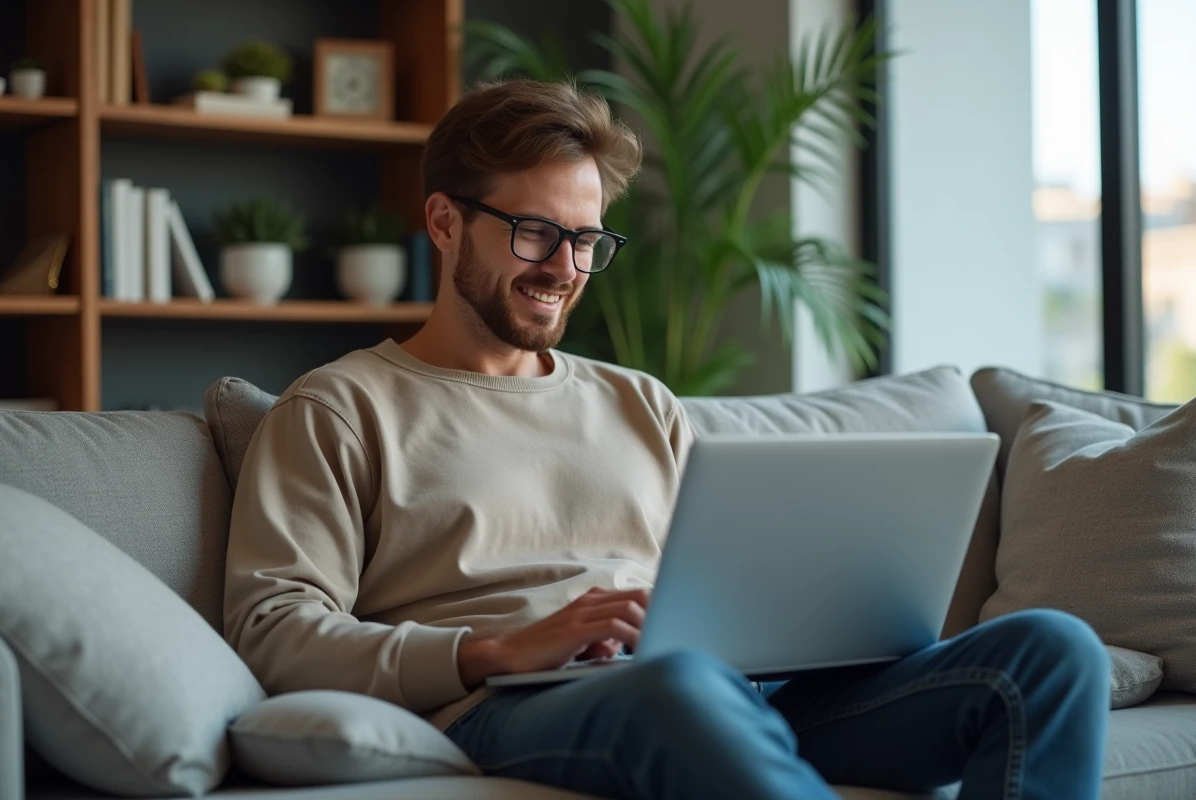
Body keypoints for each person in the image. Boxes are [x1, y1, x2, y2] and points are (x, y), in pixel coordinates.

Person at [224, 79, 1111, 800]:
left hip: (724, 688)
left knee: (1053, 652)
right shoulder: (340, 408)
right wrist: (493, 650)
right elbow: (275, 631)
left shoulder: (639, 402)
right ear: (446, 221)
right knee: (678, 686)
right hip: (516, 702)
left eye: (583, 240)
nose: (564, 270)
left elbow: (727, 580)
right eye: (535, 232)